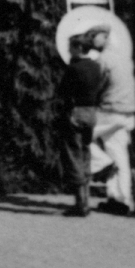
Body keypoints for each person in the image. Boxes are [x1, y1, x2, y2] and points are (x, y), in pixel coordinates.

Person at [87, 23, 135, 215]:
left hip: (110, 111)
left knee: (81, 136)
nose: (93, 40)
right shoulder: (125, 58)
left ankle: (101, 163)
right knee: (119, 155)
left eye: (96, 37)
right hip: (128, 112)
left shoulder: (104, 59)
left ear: (105, 38)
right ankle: (121, 200)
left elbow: (96, 86)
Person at [58, 32, 106, 217]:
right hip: (91, 112)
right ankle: (86, 201)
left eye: (71, 46)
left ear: (78, 48)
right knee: (85, 153)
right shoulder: (96, 66)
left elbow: (63, 91)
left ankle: (80, 203)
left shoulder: (74, 68)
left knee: (72, 155)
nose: (69, 50)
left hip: (75, 111)